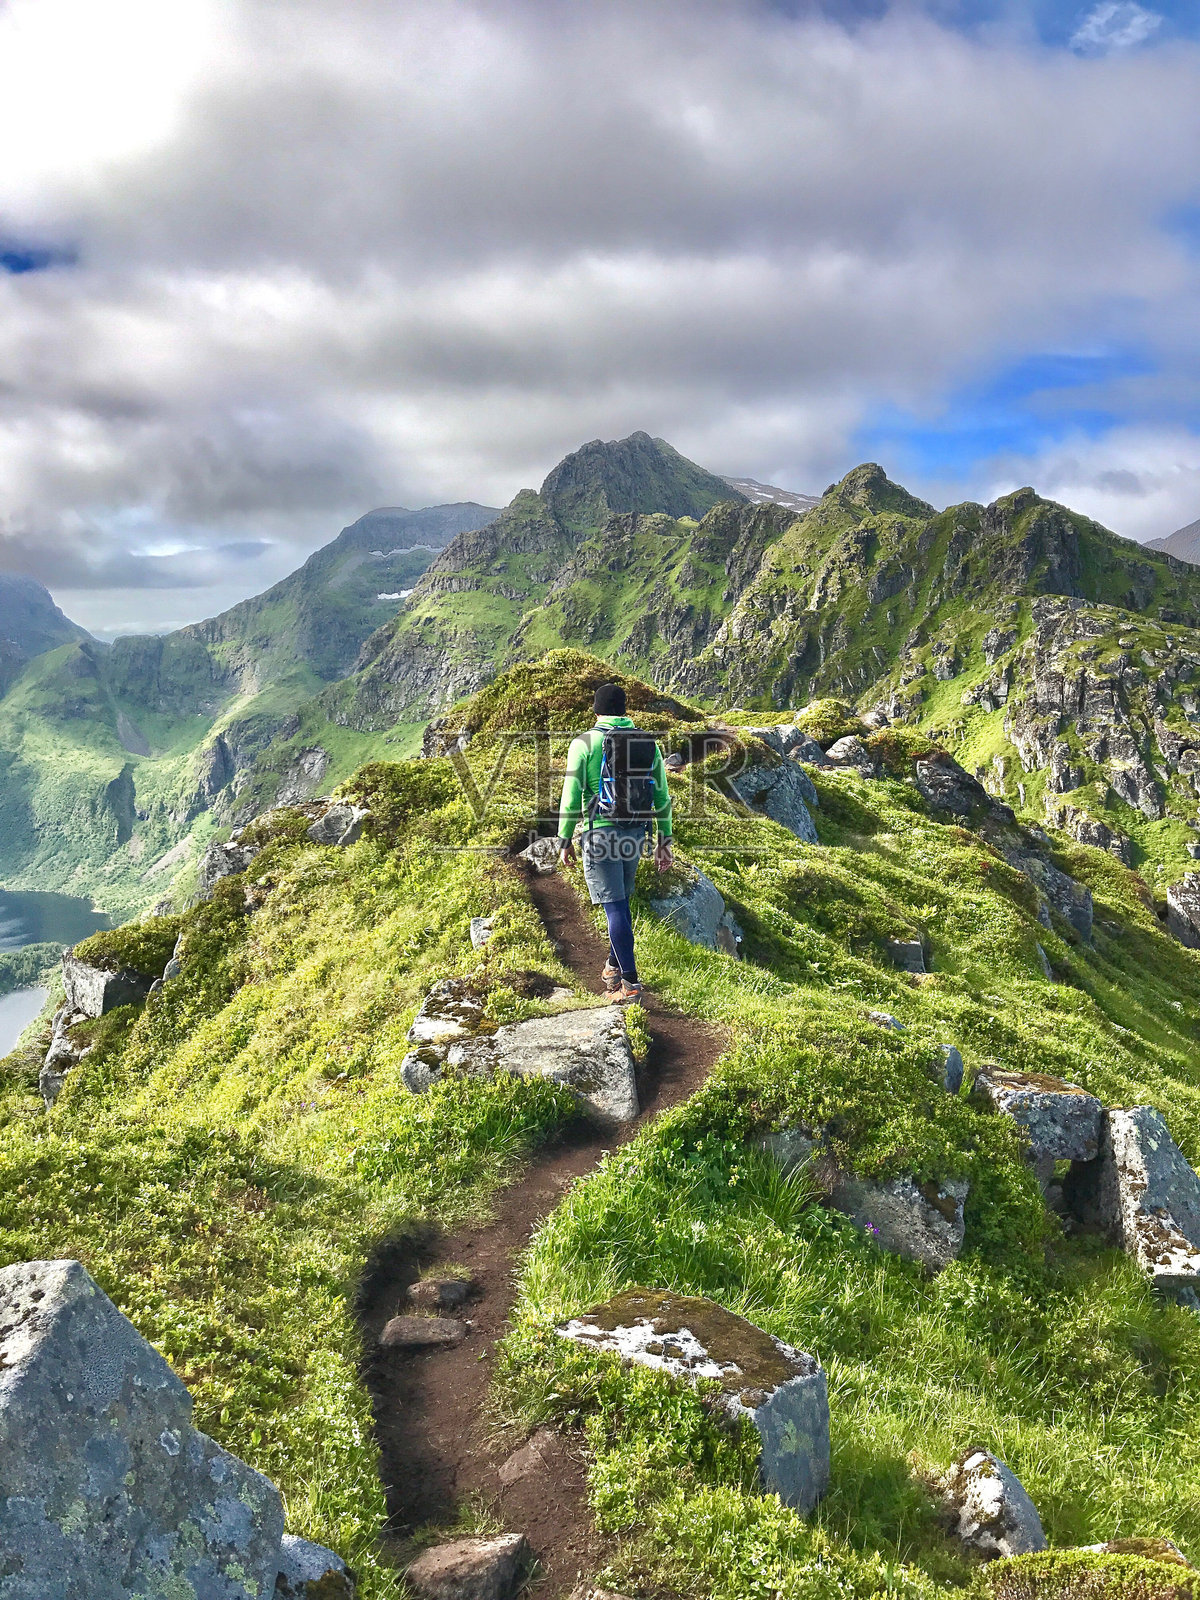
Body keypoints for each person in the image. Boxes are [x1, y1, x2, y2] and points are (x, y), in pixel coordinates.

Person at [556, 683, 674, 1002]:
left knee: (615, 907)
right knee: (620, 902)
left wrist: (565, 838)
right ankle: (612, 966)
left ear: (596, 711)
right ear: (625, 710)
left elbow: (571, 797)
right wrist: (664, 840)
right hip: (635, 832)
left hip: (601, 834)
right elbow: (661, 796)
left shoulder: (584, 743)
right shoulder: (646, 743)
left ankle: (630, 983)